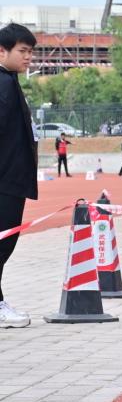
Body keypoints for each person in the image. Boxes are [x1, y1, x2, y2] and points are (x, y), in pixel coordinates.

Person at [0, 23, 38, 327]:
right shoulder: (3, 84)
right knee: (3, 243)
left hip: (11, 177)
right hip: (5, 179)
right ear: (2, 51)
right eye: (23, 51)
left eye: (30, 52)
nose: (29, 58)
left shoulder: (9, 80)